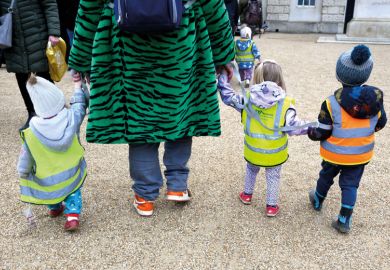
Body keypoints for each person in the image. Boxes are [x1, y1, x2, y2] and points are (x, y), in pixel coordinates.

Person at [68, 0, 235, 217]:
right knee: (181, 115)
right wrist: (224, 56)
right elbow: (213, 7)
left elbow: (89, 10)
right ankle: (177, 184)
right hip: (180, 48)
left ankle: (145, 195)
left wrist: (79, 60)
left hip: (127, 49)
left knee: (140, 123)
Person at [307, 45, 387, 233]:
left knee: (326, 175)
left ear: (339, 76)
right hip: (360, 154)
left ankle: (318, 199)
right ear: (366, 75)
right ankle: (344, 219)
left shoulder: (331, 102)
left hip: (334, 153)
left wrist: (311, 133)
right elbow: (381, 122)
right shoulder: (375, 101)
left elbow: (323, 131)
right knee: (350, 185)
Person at [217, 60, 309, 216]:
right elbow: (294, 127)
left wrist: (222, 77)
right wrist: (316, 127)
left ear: (257, 79)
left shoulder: (246, 99)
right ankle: (271, 206)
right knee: (273, 176)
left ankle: (247, 195)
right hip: (274, 154)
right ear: (280, 80)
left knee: (251, 170)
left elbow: (227, 96)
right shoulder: (285, 103)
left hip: (253, 152)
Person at [17, 72, 89, 231]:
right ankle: (72, 216)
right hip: (72, 171)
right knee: (73, 189)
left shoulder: (31, 132)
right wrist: (77, 86)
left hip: (48, 177)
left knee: (50, 190)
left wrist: (22, 171)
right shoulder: (71, 118)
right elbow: (79, 106)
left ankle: (55, 208)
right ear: (59, 101)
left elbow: (26, 156)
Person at [0, 0, 61, 129]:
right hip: (13, 35)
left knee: (42, 74)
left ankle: (56, 114)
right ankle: (32, 114)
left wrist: (54, 32)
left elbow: (49, 4)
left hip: (37, 32)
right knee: (21, 75)